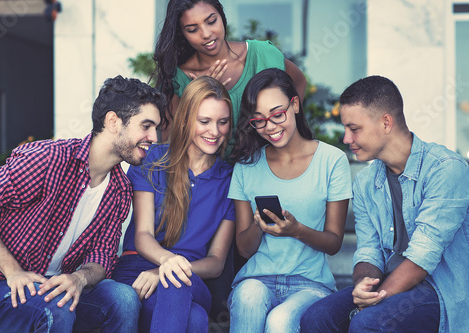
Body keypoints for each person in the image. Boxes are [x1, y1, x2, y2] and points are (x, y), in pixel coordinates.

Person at [0, 75, 166, 333]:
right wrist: (13, 271)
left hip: (58, 289)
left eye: (156, 128)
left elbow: (103, 257)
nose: (153, 137)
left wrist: (79, 278)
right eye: (146, 126)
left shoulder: (120, 190)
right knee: (56, 307)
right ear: (113, 121)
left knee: (124, 299)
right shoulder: (48, 158)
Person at [301, 75, 469, 333]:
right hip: (389, 281)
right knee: (317, 318)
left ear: (386, 123)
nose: (346, 138)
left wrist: (370, 304)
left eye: (354, 128)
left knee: (368, 322)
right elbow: (368, 250)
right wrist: (362, 286)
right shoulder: (366, 181)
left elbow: (423, 258)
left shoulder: (446, 169)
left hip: (440, 288)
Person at [227, 68, 352, 332]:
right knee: (248, 295)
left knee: (280, 320)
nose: (270, 127)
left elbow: (333, 243)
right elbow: (244, 248)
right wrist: (259, 225)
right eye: (259, 120)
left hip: (311, 285)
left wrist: (296, 231)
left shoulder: (332, 160)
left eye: (277, 114)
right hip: (256, 279)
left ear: (294, 105)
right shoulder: (246, 166)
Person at [112, 76, 236, 332]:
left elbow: (215, 262)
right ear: (186, 119)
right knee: (195, 320)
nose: (215, 131)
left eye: (222, 122)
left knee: (175, 283)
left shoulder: (231, 180)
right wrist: (166, 261)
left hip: (193, 275)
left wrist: (167, 270)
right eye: (205, 121)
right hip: (137, 268)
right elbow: (143, 234)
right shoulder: (153, 158)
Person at [153, 0, 307, 143]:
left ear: (222, 16)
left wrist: (282, 131)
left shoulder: (262, 55)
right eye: (192, 29)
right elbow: (170, 141)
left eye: (212, 21)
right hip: (212, 171)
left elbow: (299, 82)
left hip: (266, 165)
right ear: (182, 34)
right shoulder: (178, 78)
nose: (206, 34)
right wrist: (200, 93)